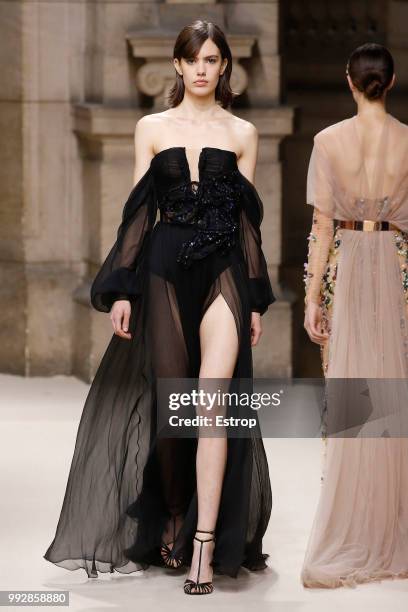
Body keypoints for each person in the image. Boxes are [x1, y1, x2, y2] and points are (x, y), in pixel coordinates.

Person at [43, 20, 275, 596]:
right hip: (164, 268)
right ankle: (172, 513)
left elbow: (248, 224)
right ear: (177, 66)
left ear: (225, 68)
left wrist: (253, 297)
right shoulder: (151, 128)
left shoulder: (243, 132)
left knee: (212, 403)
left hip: (222, 271)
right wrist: (123, 289)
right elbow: (138, 216)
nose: (202, 69)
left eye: (213, 59)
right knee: (175, 408)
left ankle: (204, 544)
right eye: (193, 59)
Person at [302, 42, 408, 588]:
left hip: (350, 265)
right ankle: (389, 533)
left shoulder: (328, 142)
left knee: (352, 395)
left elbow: (322, 228)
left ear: (350, 81)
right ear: (388, 83)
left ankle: (353, 530)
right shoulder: (407, 142)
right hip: (389, 267)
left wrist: (312, 297)